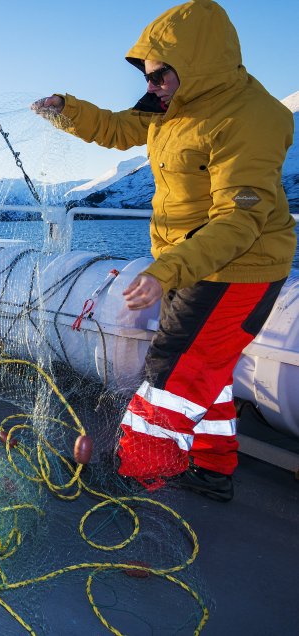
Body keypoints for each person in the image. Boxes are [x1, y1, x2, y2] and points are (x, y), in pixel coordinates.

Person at [31, 0, 295, 501]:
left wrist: (165, 269)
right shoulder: (172, 105)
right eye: (147, 77)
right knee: (208, 371)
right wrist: (66, 111)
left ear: (195, 66)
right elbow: (118, 128)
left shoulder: (252, 117)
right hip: (189, 262)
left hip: (239, 266)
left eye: (159, 77)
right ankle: (212, 468)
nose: (150, 88)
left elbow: (241, 218)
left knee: (172, 372)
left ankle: (136, 473)